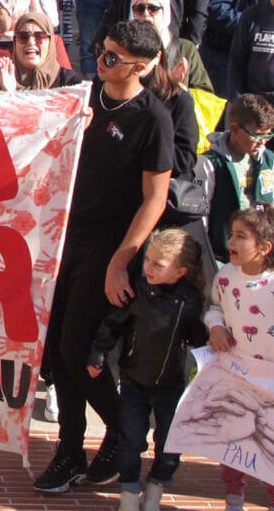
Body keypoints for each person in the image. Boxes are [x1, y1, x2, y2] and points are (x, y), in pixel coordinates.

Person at [35, 20, 174, 495]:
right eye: (102, 50)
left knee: (78, 352)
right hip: (63, 239)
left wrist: (121, 261)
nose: (102, 60)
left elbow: (155, 199)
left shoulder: (153, 117)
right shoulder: (84, 96)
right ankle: (69, 451)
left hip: (109, 246)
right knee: (57, 354)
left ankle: (121, 432)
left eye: (113, 57)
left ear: (142, 65)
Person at [86, 228, 208, 511]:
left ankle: (155, 488)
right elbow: (114, 323)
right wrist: (98, 352)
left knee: (168, 444)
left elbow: (197, 337)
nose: (148, 268)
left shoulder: (190, 301)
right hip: (134, 381)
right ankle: (129, 493)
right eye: (147, 260)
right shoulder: (139, 290)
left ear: (179, 272)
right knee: (131, 439)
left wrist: (212, 355)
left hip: (171, 384)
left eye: (158, 264)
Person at [202, 208, 274, 511]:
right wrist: (216, 326)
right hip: (236, 373)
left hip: (270, 380)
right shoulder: (225, 277)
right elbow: (214, 307)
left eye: (241, 236)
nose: (232, 240)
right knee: (234, 441)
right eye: (232, 234)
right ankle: (234, 498)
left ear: (264, 247)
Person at [195, 93, 274, 263]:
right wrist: (205, 260)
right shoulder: (210, 163)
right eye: (257, 135)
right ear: (235, 129)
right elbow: (200, 219)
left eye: (267, 136)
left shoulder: (268, 159)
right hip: (225, 258)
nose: (263, 142)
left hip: (262, 256)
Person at [132, 0, 213, 94]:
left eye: (153, 8)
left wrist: (179, 90)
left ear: (165, 12)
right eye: (139, 9)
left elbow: (206, 95)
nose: (146, 14)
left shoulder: (186, 49)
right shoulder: (126, 48)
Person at [0, 11, 82, 92]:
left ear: (50, 42)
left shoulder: (70, 82)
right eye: (23, 37)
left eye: (40, 36)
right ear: (14, 43)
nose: (31, 42)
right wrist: (7, 93)